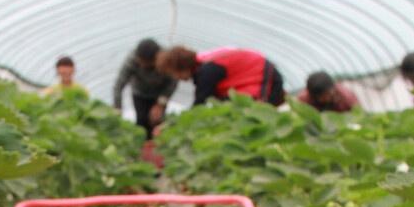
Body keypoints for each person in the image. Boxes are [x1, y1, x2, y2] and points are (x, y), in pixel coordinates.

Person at [156, 46, 285, 107]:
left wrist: (175, 126)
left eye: (173, 73)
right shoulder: (203, 64)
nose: (176, 78)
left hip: (264, 77)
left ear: (181, 67)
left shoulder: (207, 71)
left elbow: (200, 104)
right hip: (257, 76)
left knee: (260, 112)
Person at [112, 38, 178, 138]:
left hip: (160, 93)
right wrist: (118, 108)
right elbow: (119, 85)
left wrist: (160, 104)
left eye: (145, 63)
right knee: (142, 121)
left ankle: (160, 146)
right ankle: (143, 146)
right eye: (140, 61)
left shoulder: (165, 58)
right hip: (140, 93)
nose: (142, 64)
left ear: (155, 59)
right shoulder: (132, 60)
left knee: (157, 122)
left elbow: (173, 81)